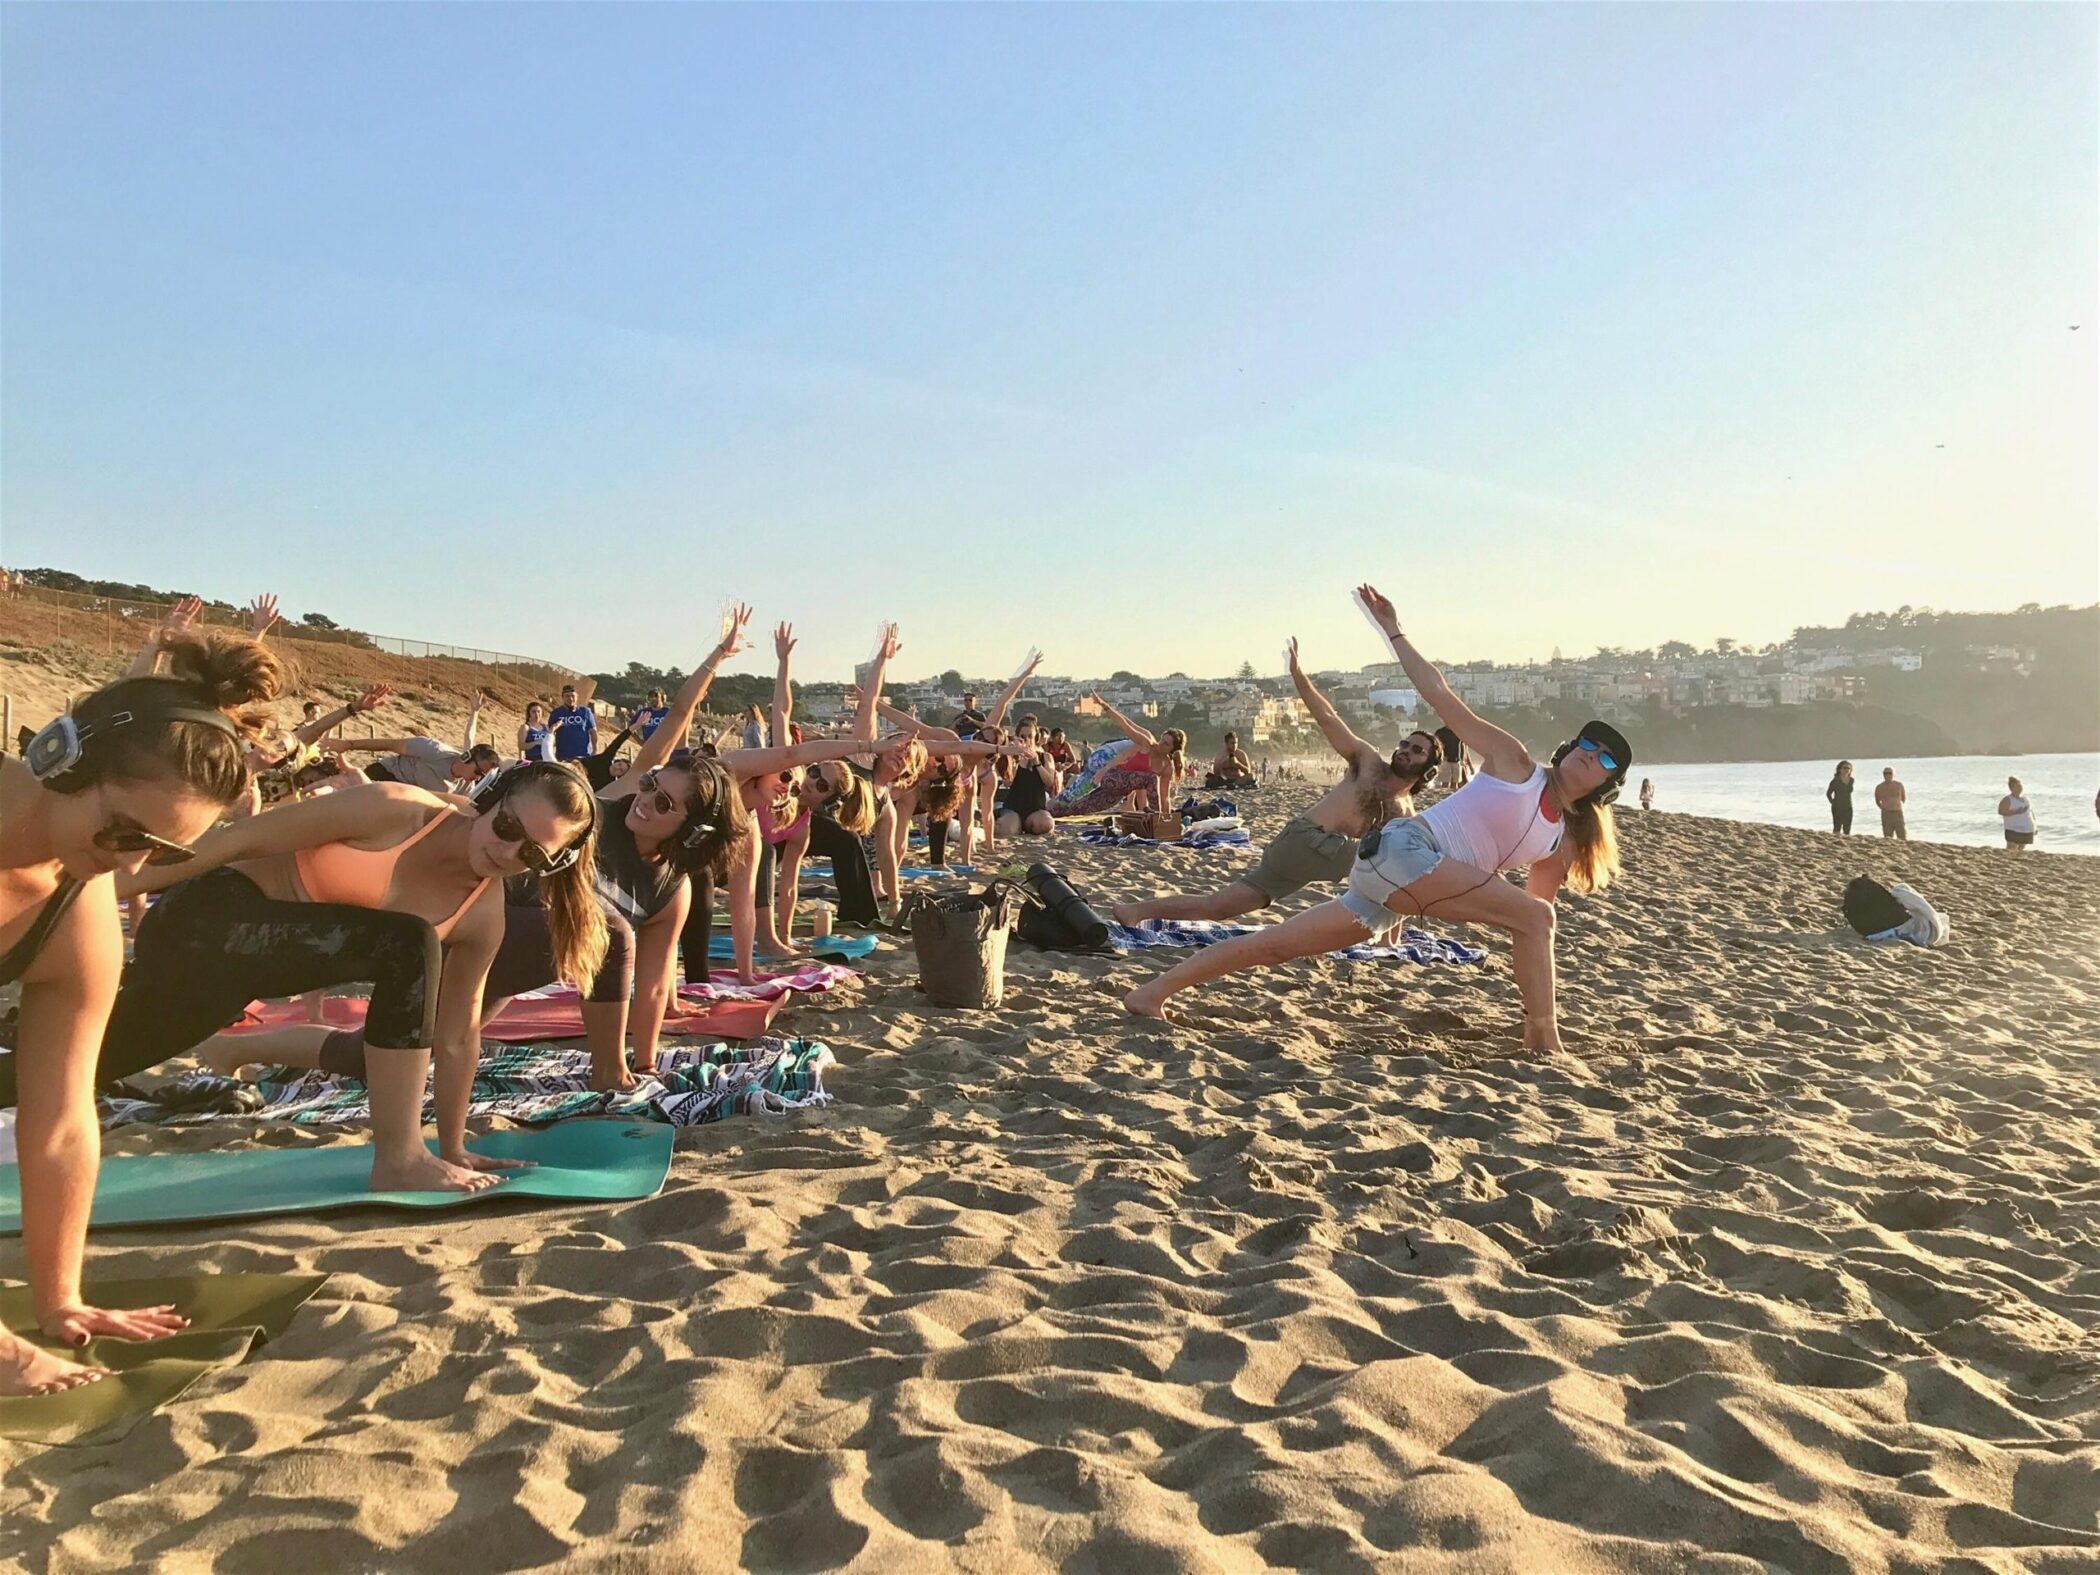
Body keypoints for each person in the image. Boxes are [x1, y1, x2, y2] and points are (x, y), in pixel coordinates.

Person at [1125, 585, 1623, 1053]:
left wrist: (1527, 952)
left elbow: (1531, 926)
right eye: (1586, 744)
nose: (1590, 755)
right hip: (1406, 850)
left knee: (1272, 946)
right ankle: (1544, 1040)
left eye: (1604, 759)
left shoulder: (1560, 840)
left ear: (1608, 785)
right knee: (1538, 918)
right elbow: (1441, 696)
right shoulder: (1515, 763)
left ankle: (1152, 992)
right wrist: (1393, 630)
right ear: (1567, 748)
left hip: (1387, 885)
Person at [0, 629, 286, 1395]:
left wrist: (61, 1298)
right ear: (62, 757)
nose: (130, 865)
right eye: (124, 829)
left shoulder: (79, 908)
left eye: (158, 851)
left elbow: (60, 1119)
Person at [111, 756, 603, 1191]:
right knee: (411, 944)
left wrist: (454, 1148)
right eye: (509, 828)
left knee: (103, 1053)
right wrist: (92, 888)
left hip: (242, 976)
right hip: (201, 920)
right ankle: (400, 1159)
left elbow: (456, 1037)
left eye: (533, 854)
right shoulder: (394, 809)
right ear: (492, 800)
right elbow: (237, 840)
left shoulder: (481, 916)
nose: (509, 851)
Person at [1111, 636, 1441, 926]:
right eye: (1404, 744)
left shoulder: (1404, 813)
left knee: (1220, 907)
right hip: (1306, 840)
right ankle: (1381, 935)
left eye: (1416, 751)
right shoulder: (1368, 763)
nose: (1404, 751)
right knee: (1389, 859)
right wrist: (1298, 676)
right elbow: (1328, 718)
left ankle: (1136, 910)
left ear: (1428, 772)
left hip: (1299, 856)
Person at [328, 690, 502, 794]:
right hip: (387, 775)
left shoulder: (465, 786)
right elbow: (390, 744)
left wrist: (475, 713)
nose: (476, 777)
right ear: (466, 757)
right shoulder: (433, 750)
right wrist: (349, 745)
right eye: (478, 771)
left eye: (482, 776)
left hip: (407, 796)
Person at [1052, 697, 1187, 817]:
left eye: (1166, 743)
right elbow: (1125, 724)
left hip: (1118, 787)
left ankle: (1053, 810)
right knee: (1151, 779)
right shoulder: (1147, 743)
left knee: (1079, 806)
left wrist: (1168, 818)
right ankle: (1157, 817)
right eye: (1162, 739)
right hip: (1110, 767)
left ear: (1172, 749)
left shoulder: (1166, 767)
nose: (1160, 743)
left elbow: (1165, 797)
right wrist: (1104, 706)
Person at [549, 685, 597, 763]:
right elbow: (550, 733)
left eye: (573, 696)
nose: (570, 699)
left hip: (584, 756)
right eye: (567, 696)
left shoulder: (585, 711)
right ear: (562, 697)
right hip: (563, 757)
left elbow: (593, 732)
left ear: (577, 696)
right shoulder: (556, 713)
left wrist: (595, 750)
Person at [1998, 777, 2034, 851]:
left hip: (2027, 829)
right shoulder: (2008, 799)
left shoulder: (2025, 799)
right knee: (2011, 849)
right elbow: (2001, 811)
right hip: (2013, 829)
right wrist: (2016, 811)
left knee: (2021, 849)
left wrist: (2035, 826)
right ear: (2011, 788)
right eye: (2018, 786)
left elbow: (2030, 812)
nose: (2020, 788)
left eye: (2021, 786)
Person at [1875, 767, 1907, 840]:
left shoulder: (1899, 785)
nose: (1888, 775)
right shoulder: (1879, 787)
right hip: (1886, 813)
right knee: (1888, 836)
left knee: (1902, 834)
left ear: (1893, 774)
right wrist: (1885, 807)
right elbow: (1877, 801)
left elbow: (1903, 798)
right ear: (1883, 775)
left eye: (1890, 773)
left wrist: (1895, 804)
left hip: (1897, 812)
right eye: (1885, 773)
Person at [1827, 762, 1855, 835]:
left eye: (1848, 768)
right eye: (1844, 768)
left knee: (1847, 827)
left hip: (1848, 806)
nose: (1846, 770)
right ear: (1840, 769)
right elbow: (1828, 793)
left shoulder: (1851, 780)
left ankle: (1846, 843)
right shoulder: (1835, 781)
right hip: (1837, 807)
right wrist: (1833, 802)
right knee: (1837, 827)